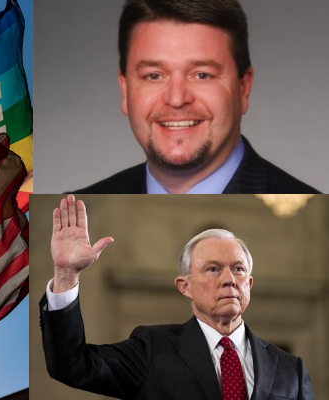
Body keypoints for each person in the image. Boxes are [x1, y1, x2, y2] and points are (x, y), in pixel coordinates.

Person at [40, 195, 315, 399]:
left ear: (250, 283)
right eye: (213, 269)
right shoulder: (152, 349)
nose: (229, 279)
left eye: (238, 269)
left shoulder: (290, 368)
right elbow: (73, 366)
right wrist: (66, 275)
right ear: (185, 286)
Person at [71, 0, 320, 194]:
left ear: (243, 87)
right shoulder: (67, 211)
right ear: (125, 90)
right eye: (154, 75)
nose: (177, 99)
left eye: (202, 75)